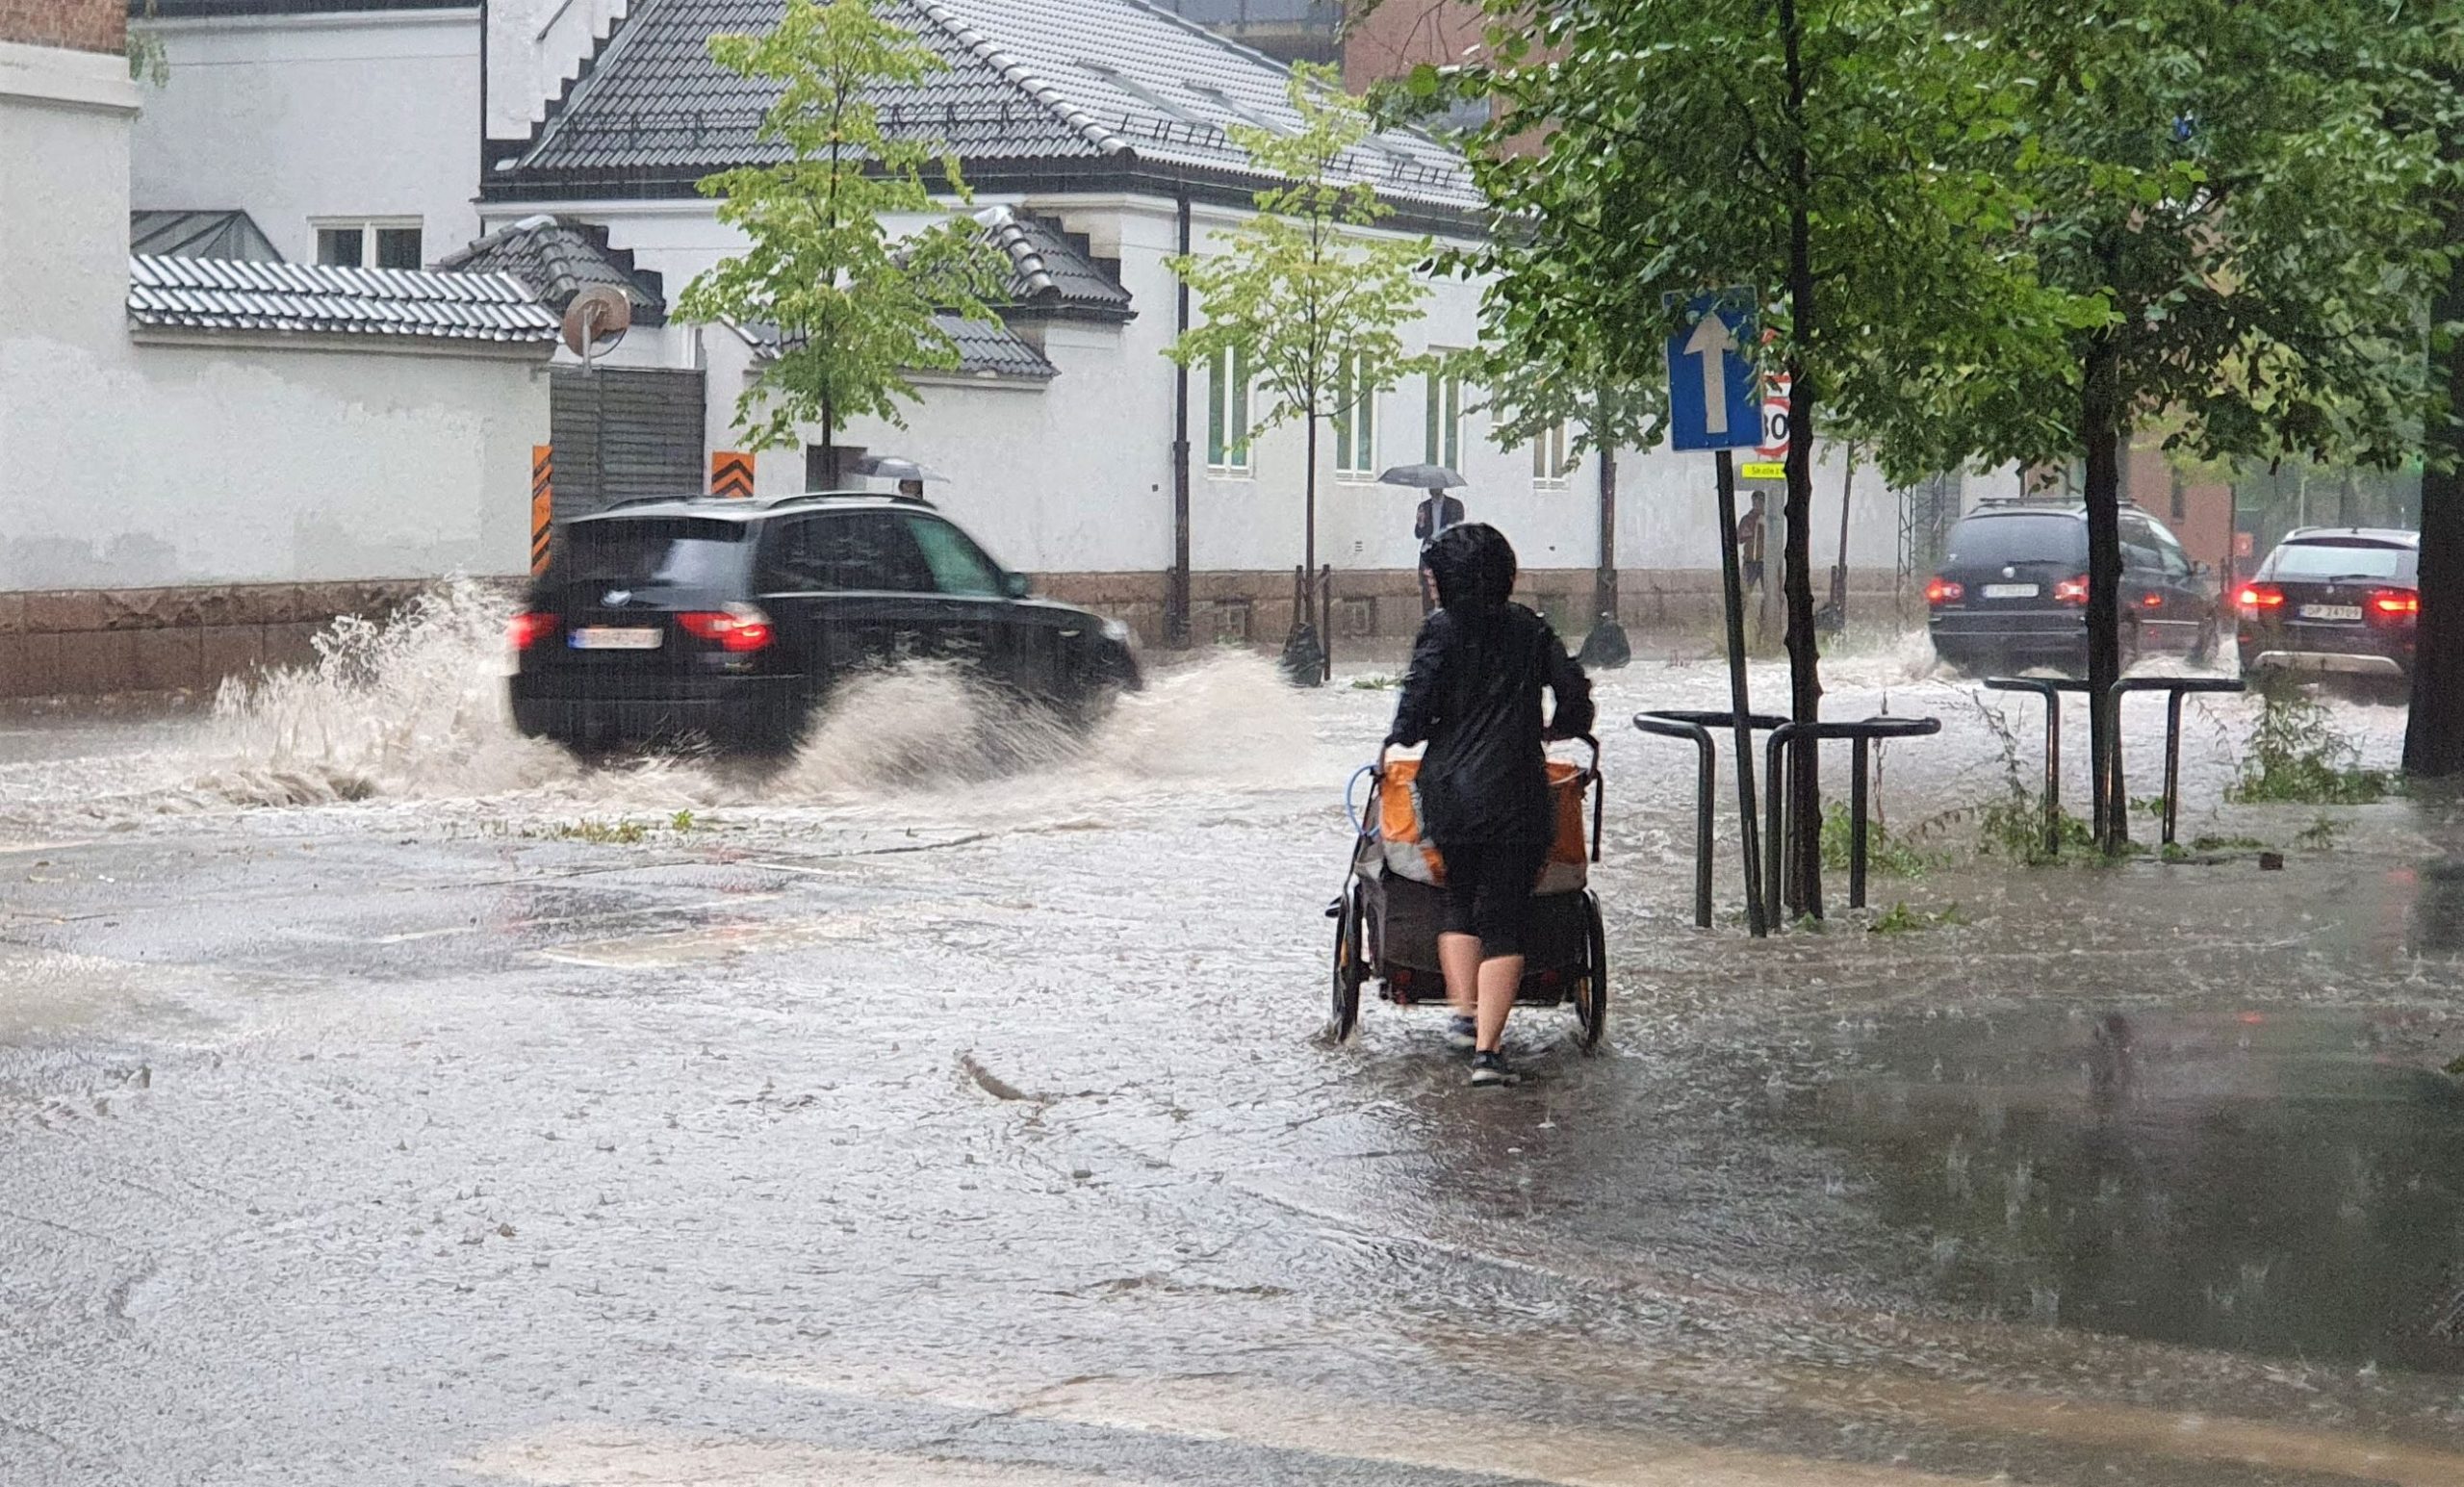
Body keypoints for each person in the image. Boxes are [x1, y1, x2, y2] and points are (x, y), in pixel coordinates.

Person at [1384, 524, 1594, 1087]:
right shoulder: (1532, 630)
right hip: (1517, 790)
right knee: (1504, 916)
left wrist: (1404, 734)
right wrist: (1562, 727)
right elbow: (1574, 689)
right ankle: (1488, 1054)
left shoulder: (1440, 632)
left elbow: (1417, 699)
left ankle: (1463, 1012)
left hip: (1449, 791)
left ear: (1448, 580)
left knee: (1458, 897)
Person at [1737, 490, 1767, 592]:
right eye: (1755, 502)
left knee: (1771, 594)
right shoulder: (1747, 519)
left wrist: (1766, 525)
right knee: (1744, 592)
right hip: (1750, 561)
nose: (1757, 505)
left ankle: (1767, 608)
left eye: (1760, 502)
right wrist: (1750, 531)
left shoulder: (1770, 520)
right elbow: (1739, 538)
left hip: (1766, 562)